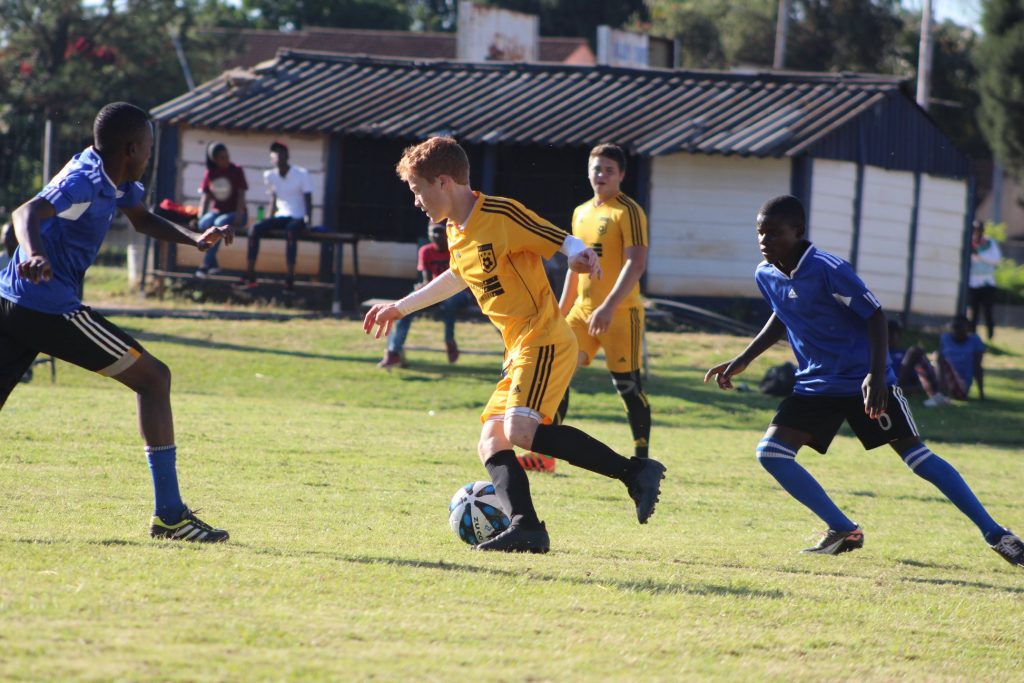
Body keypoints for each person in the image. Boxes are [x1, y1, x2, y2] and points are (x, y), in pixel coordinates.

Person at [364, 137, 666, 553]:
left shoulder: (500, 213)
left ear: (444, 182)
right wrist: (400, 308)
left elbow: (558, 238)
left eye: (418, 190)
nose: (416, 201)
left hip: (544, 337)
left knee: (521, 431)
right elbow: (457, 276)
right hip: (518, 348)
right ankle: (527, 527)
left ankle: (635, 473)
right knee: (492, 440)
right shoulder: (455, 229)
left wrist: (579, 254)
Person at [704, 195, 1021, 567]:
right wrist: (743, 359)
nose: (764, 240)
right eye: (760, 233)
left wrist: (875, 374)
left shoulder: (828, 268)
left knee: (916, 457)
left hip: (863, 381)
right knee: (771, 454)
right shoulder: (765, 273)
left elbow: (875, 316)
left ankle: (997, 535)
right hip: (815, 385)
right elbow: (782, 314)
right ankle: (843, 529)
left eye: (774, 233)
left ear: (798, 231)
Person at [0, 102, 231, 543]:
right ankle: (170, 516)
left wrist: (195, 239)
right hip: (47, 307)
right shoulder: (85, 180)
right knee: (154, 379)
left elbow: (141, 219)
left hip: (11, 301)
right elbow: (24, 214)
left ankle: (171, 516)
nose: (149, 155)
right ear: (131, 149)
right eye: (148, 148)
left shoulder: (112, 178)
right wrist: (36, 255)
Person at [552, 143, 650, 472]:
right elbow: (574, 266)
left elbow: (636, 264)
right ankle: (548, 453)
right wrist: (560, 312)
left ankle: (642, 460)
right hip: (582, 312)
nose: (601, 175)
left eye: (609, 170)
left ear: (622, 174)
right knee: (558, 372)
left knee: (627, 387)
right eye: (596, 168)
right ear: (588, 172)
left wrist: (608, 306)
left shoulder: (628, 211)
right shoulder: (580, 212)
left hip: (620, 314)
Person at [378, 221, 476, 369]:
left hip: (461, 294)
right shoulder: (425, 251)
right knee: (405, 306)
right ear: (428, 233)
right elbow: (427, 281)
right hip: (438, 293)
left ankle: (449, 340)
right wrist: (420, 289)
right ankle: (394, 351)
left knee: (450, 301)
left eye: (440, 231)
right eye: (433, 231)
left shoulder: (456, 248)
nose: (437, 235)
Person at [243, 141, 313, 290]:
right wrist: (268, 219)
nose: (278, 157)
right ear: (271, 158)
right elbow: (273, 199)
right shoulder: (269, 175)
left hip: (298, 217)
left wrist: (308, 221)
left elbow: (308, 199)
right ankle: (249, 274)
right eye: (275, 154)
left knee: (290, 232)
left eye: (281, 153)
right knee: (254, 229)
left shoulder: (301, 173)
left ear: (287, 156)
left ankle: (289, 277)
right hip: (281, 216)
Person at [192, 141, 248, 278]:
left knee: (219, 224)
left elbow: (241, 194)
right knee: (204, 223)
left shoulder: (236, 170)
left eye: (226, 156)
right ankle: (213, 265)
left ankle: (205, 265)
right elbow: (205, 197)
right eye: (222, 158)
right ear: (215, 160)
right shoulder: (211, 173)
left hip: (237, 213)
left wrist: (239, 215)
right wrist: (200, 216)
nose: (226, 160)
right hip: (218, 212)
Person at [886, 319, 949, 407]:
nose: (889, 336)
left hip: (903, 383)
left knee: (932, 358)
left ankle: (938, 392)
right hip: (889, 384)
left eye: (892, 333)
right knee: (914, 351)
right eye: (888, 333)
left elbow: (916, 377)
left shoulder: (903, 352)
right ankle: (937, 393)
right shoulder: (878, 353)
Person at [937, 314, 986, 402]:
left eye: (959, 327)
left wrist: (981, 394)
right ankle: (939, 391)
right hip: (941, 379)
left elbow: (978, 367)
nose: (957, 330)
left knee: (943, 362)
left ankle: (941, 393)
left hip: (961, 384)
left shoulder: (975, 340)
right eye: (955, 327)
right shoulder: (945, 338)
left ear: (967, 328)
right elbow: (939, 360)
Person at [967, 220, 1001, 340]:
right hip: (973, 283)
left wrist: (980, 256)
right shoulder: (969, 242)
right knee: (973, 312)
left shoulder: (989, 242)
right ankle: (972, 336)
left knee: (988, 312)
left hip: (987, 282)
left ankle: (990, 336)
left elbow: (996, 259)